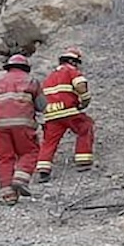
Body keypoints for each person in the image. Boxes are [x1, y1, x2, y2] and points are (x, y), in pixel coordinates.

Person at [0, 54, 44, 205]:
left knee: (4, 157)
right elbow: (42, 106)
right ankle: (21, 178)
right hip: (23, 125)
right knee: (30, 151)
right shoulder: (30, 80)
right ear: (26, 68)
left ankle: (8, 195)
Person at [36, 47, 96, 183]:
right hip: (69, 111)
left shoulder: (50, 76)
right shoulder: (71, 71)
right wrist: (85, 101)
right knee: (85, 127)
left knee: (49, 141)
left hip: (51, 114)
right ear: (73, 61)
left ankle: (43, 170)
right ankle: (83, 161)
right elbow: (81, 85)